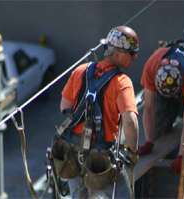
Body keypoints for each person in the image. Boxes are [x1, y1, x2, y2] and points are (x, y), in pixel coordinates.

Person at [60, 26, 139, 199]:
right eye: (132, 53)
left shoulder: (81, 71)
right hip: (102, 156)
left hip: (73, 152)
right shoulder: (122, 82)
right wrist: (133, 151)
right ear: (117, 54)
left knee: (78, 196)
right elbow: (130, 121)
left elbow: (64, 106)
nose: (135, 57)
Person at [139, 38, 184, 173]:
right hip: (167, 84)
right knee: (159, 120)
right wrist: (149, 142)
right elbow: (149, 109)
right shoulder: (151, 67)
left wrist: (181, 156)